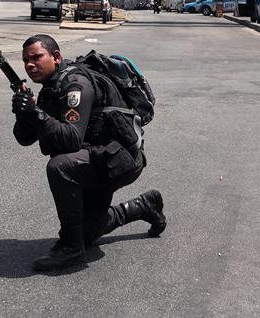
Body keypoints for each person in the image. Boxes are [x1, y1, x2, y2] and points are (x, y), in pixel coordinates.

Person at [10, 34, 166, 271]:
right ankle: (143, 206)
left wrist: (35, 113)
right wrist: (24, 112)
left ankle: (70, 248)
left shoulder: (75, 84)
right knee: (87, 233)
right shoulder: (50, 89)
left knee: (59, 166)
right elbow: (24, 138)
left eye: (36, 57)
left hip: (119, 160)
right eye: (25, 60)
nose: (30, 65)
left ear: (56, 57)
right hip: (96, 160)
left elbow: (71, 139)